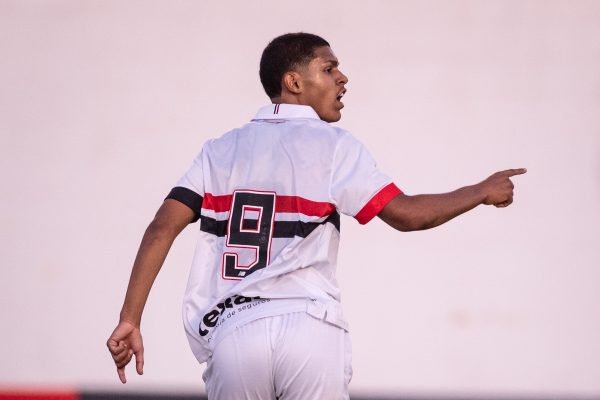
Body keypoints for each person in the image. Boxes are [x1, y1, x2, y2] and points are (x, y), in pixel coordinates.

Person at [107, 32, 526, 399]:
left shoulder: (218, 151)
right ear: (294, 82)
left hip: (234, 333)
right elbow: (407, 215)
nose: (342, 78)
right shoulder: (334, 145)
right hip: (309, 327)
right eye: (329, 69)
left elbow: (161, 228)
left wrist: (130, 318)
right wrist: (480, 191)